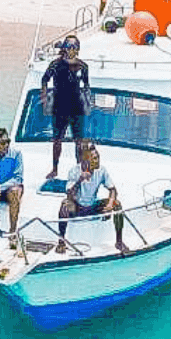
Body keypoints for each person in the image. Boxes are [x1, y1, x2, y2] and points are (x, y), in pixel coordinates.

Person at [55, 141, 129, 255]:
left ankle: (119, 241)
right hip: (78, 206)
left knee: (117, 204)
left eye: (98, 157)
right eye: (94, 158)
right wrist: (80, 180)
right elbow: (70, 195)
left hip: (93, 205)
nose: (97, 160)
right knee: (65, 205)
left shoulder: (102, 170)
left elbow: (113, 190)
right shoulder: (74, 171)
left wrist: (110, 204)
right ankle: (61, 241)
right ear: (86, 160)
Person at [41, 34, 89, 180]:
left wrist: (87, 101)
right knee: (57, 140)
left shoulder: (83, 66)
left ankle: (79, 168)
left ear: (78, 49)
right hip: (59, 107)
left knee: (79, 142)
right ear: (64, 48)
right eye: (69, 46)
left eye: (74, 47)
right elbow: (44, 80)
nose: (71, 49)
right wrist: (44, 98)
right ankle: (55, 169)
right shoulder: (55, 65)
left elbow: (86, 85)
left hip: (77, 108)